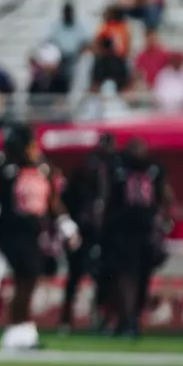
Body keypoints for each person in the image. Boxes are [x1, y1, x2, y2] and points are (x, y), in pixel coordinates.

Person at [0, 123, 78, 351]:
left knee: (29, 277)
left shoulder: (42, 167)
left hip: (33, 229)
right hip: (9, 229)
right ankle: (18, 327)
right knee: (27, 273)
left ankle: (21, 328)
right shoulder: (5, 167)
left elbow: (52, 199)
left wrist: (65, 223)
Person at [103, 138, 173, 338]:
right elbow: (109, 198)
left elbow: (165, 196)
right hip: (123, 230)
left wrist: (164, 222)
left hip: (145, 229)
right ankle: (126, 318)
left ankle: (132, 318)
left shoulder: (154, 170)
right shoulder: (118, 169)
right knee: (126, 276)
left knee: (141, 277)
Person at [59, 133, 118, 333]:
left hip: (101, 231)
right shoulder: (87, 172)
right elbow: (67, 199)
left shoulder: (112, 170)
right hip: (86, 230)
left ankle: (98, 316)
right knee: (78, 274)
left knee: (102, 276)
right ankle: (68, 318)